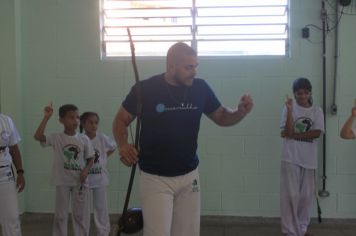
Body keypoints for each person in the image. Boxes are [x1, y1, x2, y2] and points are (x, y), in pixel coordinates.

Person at [112, 42, 253, 236]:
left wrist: (240, 112)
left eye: (196, 66)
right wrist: (123, 145)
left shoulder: (200, 88)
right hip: (155, 178)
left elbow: (221, 116)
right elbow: (121, 119)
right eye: (188, 67)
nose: (194, 72)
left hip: (189, 176)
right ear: (171, 66)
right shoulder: (145, 89)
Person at [34, 103, 95, 236]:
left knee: (79, 216)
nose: (75, 121)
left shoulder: (83, 138)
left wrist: (86, 170)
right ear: (61, 120)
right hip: (62, 181)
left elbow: (91, 158)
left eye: (77, 117)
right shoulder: (56, 138)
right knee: (61, 215)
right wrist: (46, 117)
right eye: (71, 117)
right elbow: (38, 137)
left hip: (79, 182)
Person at [279, 78, 325, 236]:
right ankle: (290, 232)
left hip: (309, 160)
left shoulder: (316, 111)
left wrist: (294, 135)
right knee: (290, 196)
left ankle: (302, 229)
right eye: (299, 93)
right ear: (295, 94)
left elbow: (316, 133)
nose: (302, 96)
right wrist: (290, 110)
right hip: (290, 158)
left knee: (306, 197)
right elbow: (285, 131)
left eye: (306, 92)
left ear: (310, 92)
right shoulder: (288, 109)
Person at [79, 112, 117, 236]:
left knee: (101, 208)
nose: (94, 125)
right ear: (83, 124)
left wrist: (104, 158)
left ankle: (103, 232)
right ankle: (83, 231)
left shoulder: (102, 137)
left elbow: (112, 147)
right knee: (83, 209)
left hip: (100, 178)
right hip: (85, 179)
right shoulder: (80, 139)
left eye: (96, 122)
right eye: (90, 122)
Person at [0, 113, 25, 236]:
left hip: (5, 174)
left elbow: (14, 148)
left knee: (11, 217)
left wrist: (20, 172)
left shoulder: (6, 120)